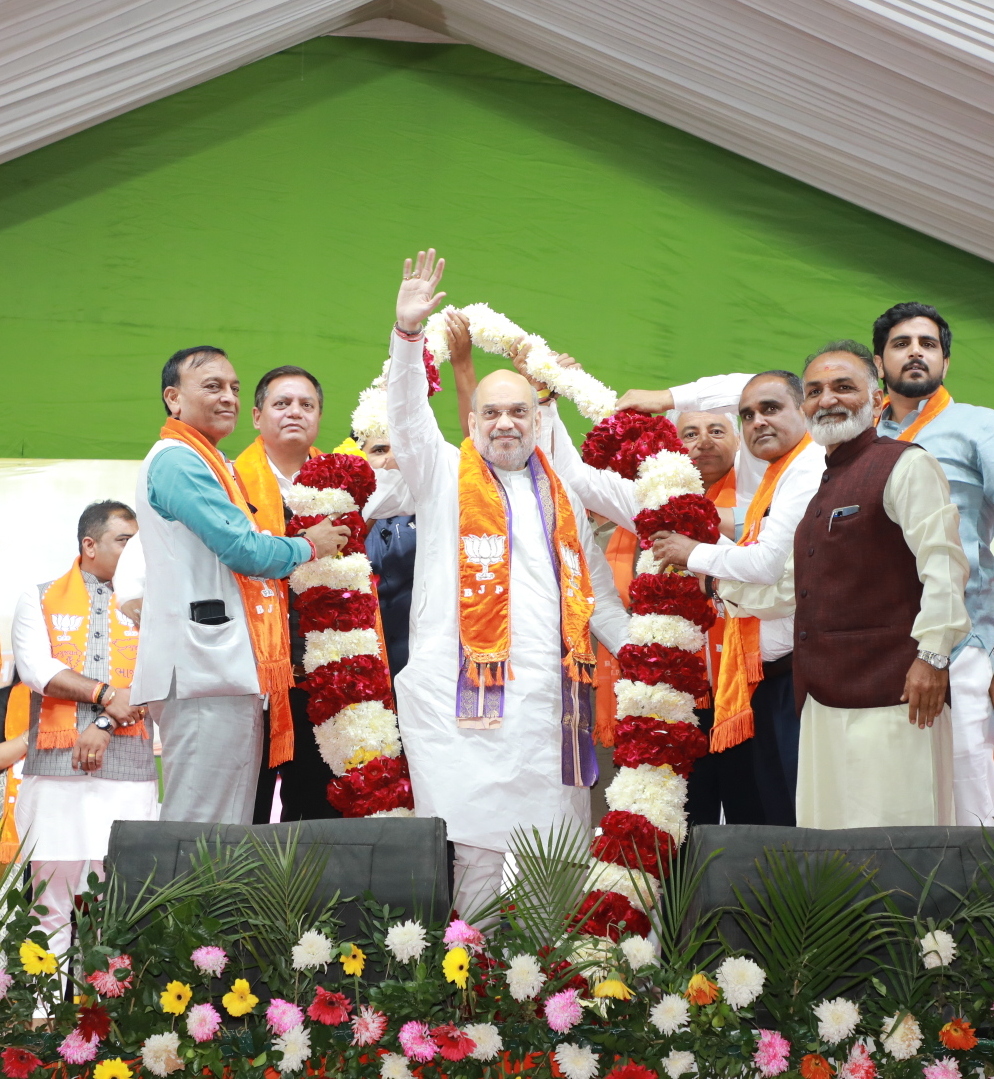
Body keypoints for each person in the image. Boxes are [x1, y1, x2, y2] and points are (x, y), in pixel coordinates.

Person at [386, 250, 629, 917]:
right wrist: (407, 337)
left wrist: (643, 654)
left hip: (552, 706)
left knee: (554, 867)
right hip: (466, 706)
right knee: (478, 866)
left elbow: (597, 597)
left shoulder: (565, 494)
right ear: (471, 421)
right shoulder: (441, 476)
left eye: (519, 411)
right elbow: (406, 419)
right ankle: (473, 1007)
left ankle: (545, 1010)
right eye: (491, 412)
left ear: (538, 417)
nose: (504, 423)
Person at [719, 345, 969, 828]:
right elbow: (795, 587)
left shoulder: (904, 465)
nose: (827, 399)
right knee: (831, 840)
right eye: (814, 391)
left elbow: (944, 567)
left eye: (843, 387)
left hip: (898, 695)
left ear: (876, 400)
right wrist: (718, 586)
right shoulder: (823, 485)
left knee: (897, 836)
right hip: (821, 700)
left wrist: (932, 657)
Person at [131, 346, 350, 825]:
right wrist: (308, 545)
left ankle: (209, 903)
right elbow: (245, 550)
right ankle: (180, 904)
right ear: (173, 398)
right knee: (200, 823)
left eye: (232, 386)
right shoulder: (178, 462)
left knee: (226, 826)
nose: (227, 396)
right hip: (201, 670)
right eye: (212, 386)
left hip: (225, 671)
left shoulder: (209, 462)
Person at [652, 371, 825, 826]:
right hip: (755, 683)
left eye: (771, 409)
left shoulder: (803, 471)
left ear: (806, 408)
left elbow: (770, 572)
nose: (757, 422)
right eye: (747, 415)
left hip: (790, 679)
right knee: (770, 825)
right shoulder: (776, 476)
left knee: (790, 822)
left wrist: (698, 562)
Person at [10, 501, 157, 964]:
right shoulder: (40, 596)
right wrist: (105, 693)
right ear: (89, 545)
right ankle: (40, 1022)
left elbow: (157, 678)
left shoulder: (155, 604)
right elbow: (37, 670)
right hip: (55, 777)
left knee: (118, 907)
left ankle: (105, 1025)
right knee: (49, 907)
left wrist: (104, 719)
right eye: (124, 542)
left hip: (128, 776)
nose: (136, 552)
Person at [873, 302, 994, 827]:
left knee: (971, 797)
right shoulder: (858, 442)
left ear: (946, 361)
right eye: (901, 344)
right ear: (879, 364)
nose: (915, 353)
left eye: (928, 344)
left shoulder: (978, 427)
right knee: (896, 802)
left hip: (964, 644)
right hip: (876, 651)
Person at [235, 365, 341, 823]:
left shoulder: (345, 486)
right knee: (243, 813)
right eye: (282, 403)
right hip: (247, 677)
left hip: (323, 675)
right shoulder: (228, 482)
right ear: (257, 416)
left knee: (315, 813)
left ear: (318, 417)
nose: (294, 412)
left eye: (306, 404)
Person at [362, 308, 478, 679]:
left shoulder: (440, 492)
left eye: (399, 446)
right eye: (379, 450)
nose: (393, 457)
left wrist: (462, 367)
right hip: (365, 659)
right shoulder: (352, 510)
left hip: (434, 657)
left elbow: (477, 448)